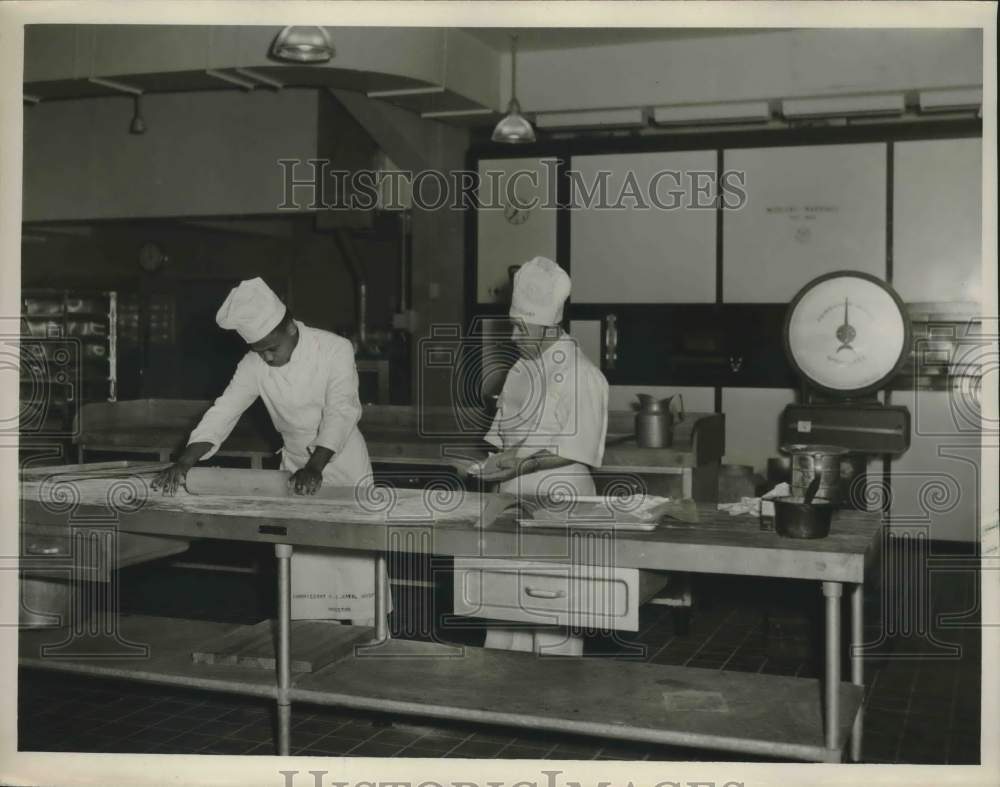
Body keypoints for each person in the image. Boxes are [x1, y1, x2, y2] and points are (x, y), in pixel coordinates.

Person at [152, 277, 385, 627]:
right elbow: (224, 410)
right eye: (259, 350)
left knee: (356, 561)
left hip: (342, 462)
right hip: (295, 467)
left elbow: (342, 410)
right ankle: (311, 642)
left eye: (271, 348)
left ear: (291, 327)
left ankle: (371, 638)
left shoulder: (334, 348)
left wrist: (316, 465)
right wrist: (184, 462)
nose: (267, 357)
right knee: (307, 566)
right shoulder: (253, 365)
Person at [470, 256, 609, 654]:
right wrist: (493, 467)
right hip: (514, 501)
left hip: (561, 502)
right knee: (504, 611)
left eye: (519, 326)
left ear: (548, 324)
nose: (513, 337)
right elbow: (504, 439)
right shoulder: (520, 370)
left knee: (551, 617)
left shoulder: (583, 374)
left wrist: (519, 464)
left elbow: (578, 448)